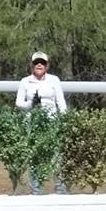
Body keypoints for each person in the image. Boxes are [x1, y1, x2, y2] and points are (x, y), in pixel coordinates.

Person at [15, 51, 68, 193]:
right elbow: (18, 103)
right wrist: (31, 104)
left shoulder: (54, 80)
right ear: (32, 65)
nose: (39, 65)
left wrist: (64, 120)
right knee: (34, 157)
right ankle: (35, 190)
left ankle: (60, 189)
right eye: (36, 62)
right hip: (33, 124)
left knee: (56, 157)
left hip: (52, 122)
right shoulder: (25, 81)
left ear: (47, 65)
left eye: (42, 63)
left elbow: (61, 102)